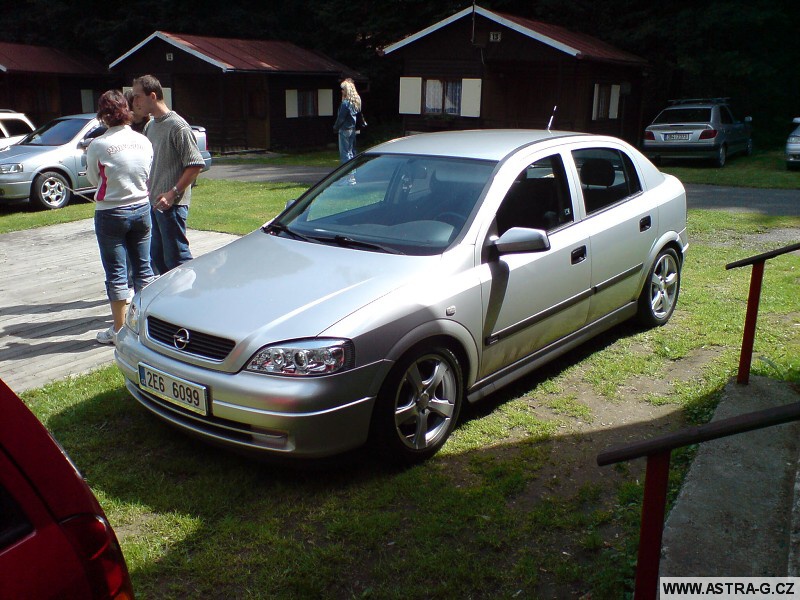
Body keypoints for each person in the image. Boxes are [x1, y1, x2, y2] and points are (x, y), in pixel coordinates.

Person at [86, 90, 155, 345]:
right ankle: (147, 326)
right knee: (144, 269)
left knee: (116, 273)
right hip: (142, 208)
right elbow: (147, 170)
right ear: (126, 109)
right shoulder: (143, 140)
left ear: (103, 115)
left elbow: (94, 179)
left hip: (111, 212)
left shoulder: (99, 145)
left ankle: (119, 330)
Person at [131, 74, 205, 275]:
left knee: (177, 259)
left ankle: (191, 298)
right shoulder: (150, 126)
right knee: (158, 259)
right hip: (154, 205)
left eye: (138, 96)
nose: (134, 101)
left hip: (172, 206)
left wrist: (172, 193)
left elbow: (195, 165)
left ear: (152, 96)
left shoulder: (178, 126)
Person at [333, 79, 361, 163]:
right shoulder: (356, 102)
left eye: (343, 89)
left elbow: (341, 118)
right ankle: (353, 171)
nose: (342, 91)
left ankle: (346, 172)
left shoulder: (345, 103)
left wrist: (335, 127)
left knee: (344, 153)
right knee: (351, 151)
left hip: (344, 129)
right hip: (352, 128)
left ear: (347, 90)